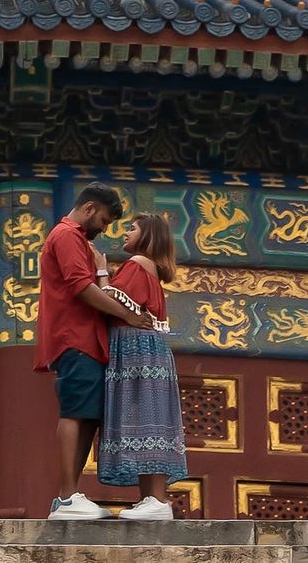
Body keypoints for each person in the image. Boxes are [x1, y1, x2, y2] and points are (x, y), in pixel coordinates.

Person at [34, 182, 152, 521]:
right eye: (103, 219)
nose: (105, 228)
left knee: (87, 414)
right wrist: (130, 316)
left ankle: (72, 494)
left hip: (87, 339)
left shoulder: (79, 241)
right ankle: (67, 496)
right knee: (74, 411)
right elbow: (82, 289)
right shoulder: (67, 236)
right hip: (75, 337)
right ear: (89, 209)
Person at [93, 213, 188, 520]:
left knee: (149, 419)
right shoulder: (148, 267)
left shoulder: (137, 264)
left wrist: (101, 270)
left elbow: (111, 299)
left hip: (138, 349)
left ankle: (158, 500)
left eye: (131, 228)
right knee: (146, 420)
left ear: (147, 235)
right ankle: (151, 499)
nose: (125, 233)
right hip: (141, 348)